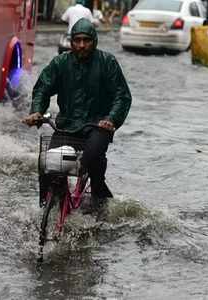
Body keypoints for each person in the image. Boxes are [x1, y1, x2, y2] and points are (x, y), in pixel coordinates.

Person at [22, 18, 132, 214]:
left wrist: (111, 119)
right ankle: (46, 209)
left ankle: (99, 194)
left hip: (98, 126)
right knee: (47, 164)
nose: (82, 45)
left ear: (94, 41)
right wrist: (36, 112)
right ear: (71, 42)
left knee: (91, 159)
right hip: (67, 126)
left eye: (86, 40)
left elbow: (121, 96)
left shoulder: (107, 63)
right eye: (77, 40)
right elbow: (42, 89)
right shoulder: (60, 63)